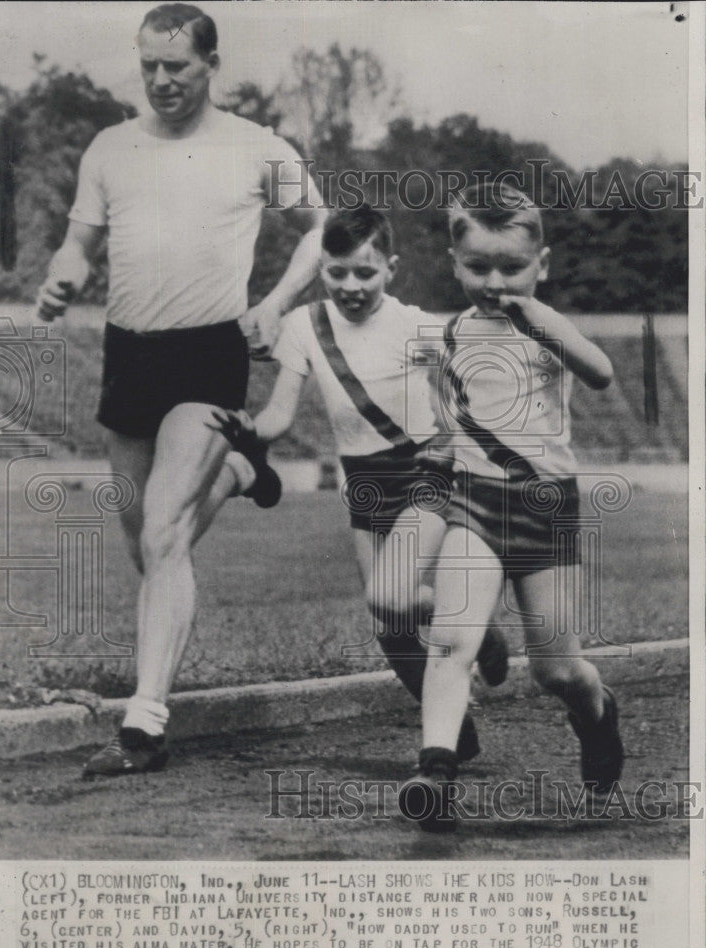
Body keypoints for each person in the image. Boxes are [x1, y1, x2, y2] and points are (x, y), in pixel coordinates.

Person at [35, 3, 325, 776]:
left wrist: (274, 302)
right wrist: (65, 274)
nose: (162, 81)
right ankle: (237, 471)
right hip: (129, 353)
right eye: (150, 66)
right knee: (143, 541)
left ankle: (145, 724)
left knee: (164, 530)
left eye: (178, 67)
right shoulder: (111, 149)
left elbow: (327, 227)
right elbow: (78, 241)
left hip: (209, 353)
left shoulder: (258, 148)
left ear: (211, 64)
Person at [211, 205, 510, 764]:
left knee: (391, 597)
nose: (351, 286)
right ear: (321, 268)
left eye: (365, 273)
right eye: (337, 272)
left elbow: (455, 413)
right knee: (389, 628)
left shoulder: (416, 327)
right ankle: (455, 719)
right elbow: (280, 414)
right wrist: (250, 427)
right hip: (363, 483)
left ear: (390, 269)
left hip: (424, 471)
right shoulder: (305, 326)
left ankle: (472, 621)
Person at [398, 183, 624, 830]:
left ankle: (598, 710)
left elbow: (601, 371)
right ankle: (436, 770)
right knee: (450, 640)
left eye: (512, 268)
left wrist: (541, 319)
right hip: (476, 503)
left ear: (541, 265)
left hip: (546, 507)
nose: (495, 282)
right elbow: (451, 411)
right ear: (453, 263)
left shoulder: (548, 328)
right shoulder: (451, 334)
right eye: (477, 268)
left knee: (556, 668)